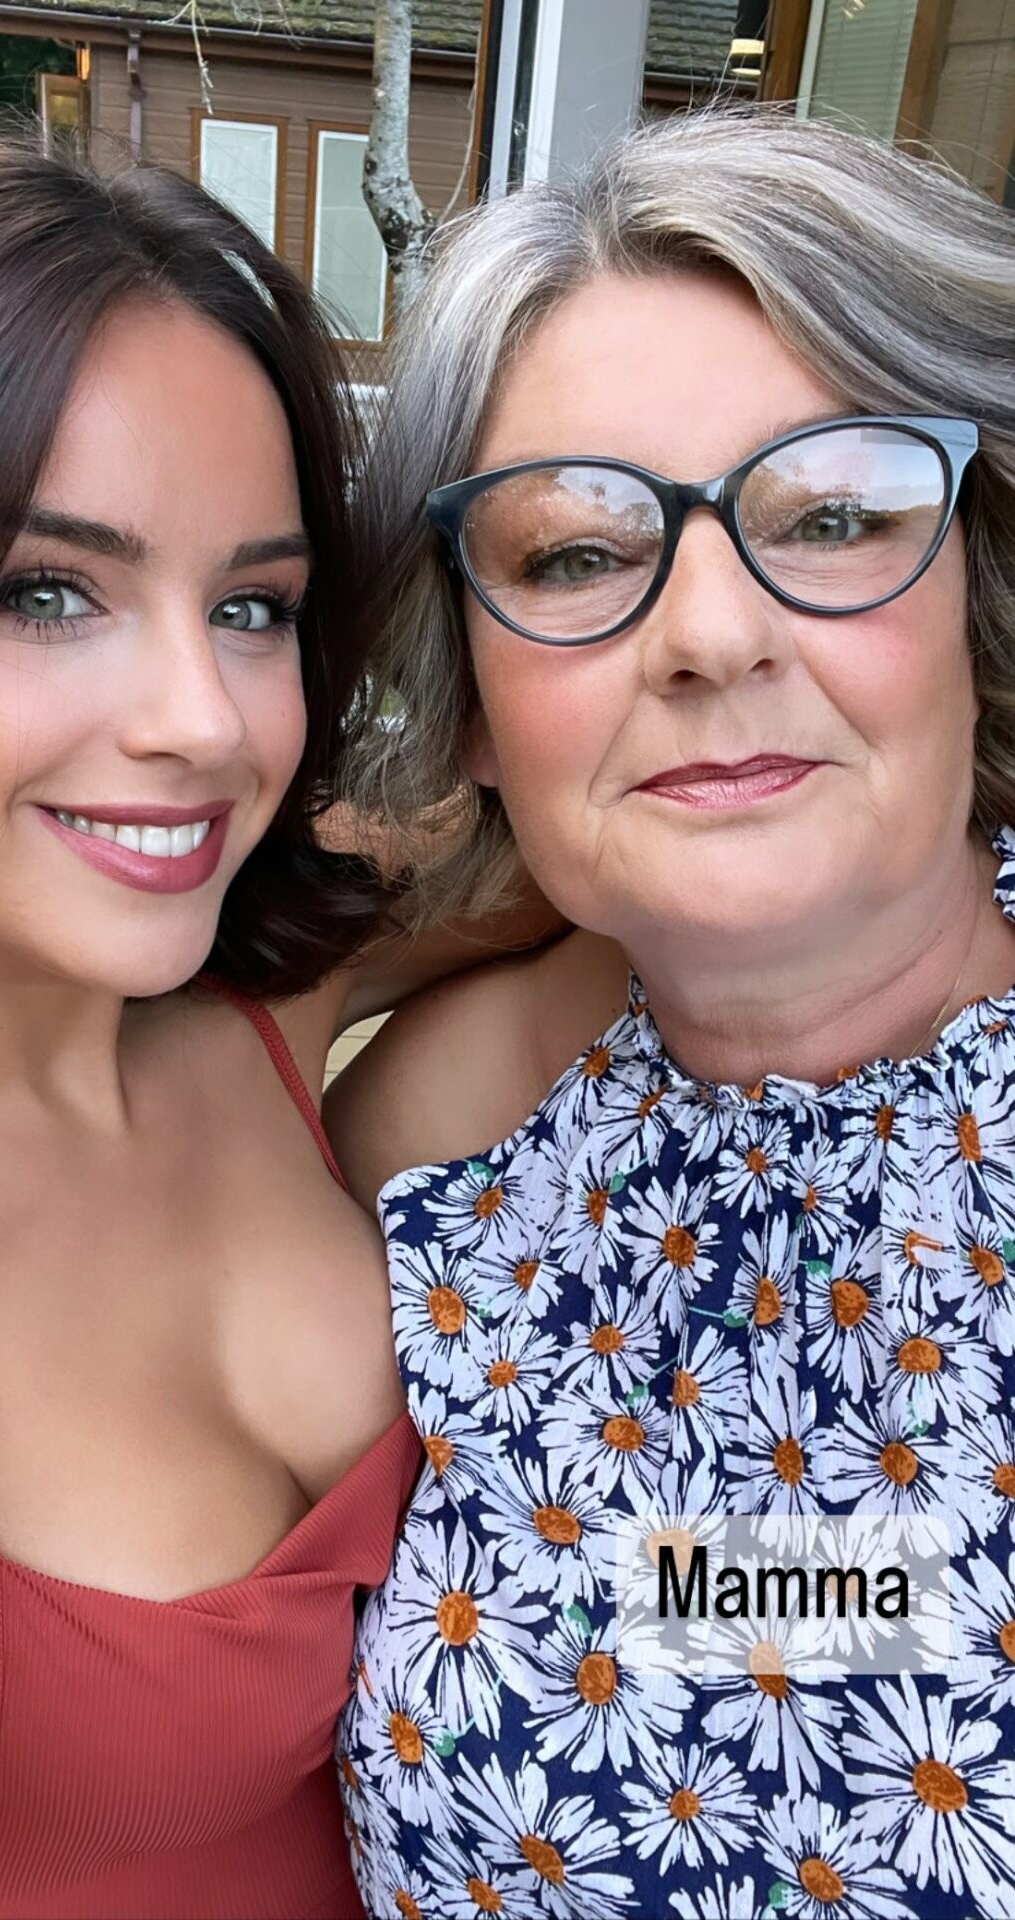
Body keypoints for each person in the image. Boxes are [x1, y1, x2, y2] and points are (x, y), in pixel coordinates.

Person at [327, 108, 1015, 1920]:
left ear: (981, 592)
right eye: (575, 555)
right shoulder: (443, 1145)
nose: (711, 633)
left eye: (835, 515)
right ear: (470, 705)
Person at [0, 132, 553, 1920]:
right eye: (47, 589)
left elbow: (622, 857)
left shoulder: (272, 971)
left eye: (251, 606)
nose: (205, 722)